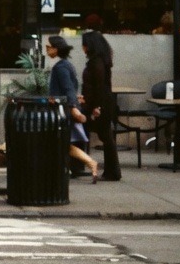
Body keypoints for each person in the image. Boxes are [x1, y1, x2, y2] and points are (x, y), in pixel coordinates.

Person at [45, 35, 99, 183]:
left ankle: (89, 163)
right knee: (62, 142)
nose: (46, 50)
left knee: (61, 142)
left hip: (61, 109)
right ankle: (84, 164)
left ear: (56, 48)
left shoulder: (60, 67)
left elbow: (68, 88)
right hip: (64, 108)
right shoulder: (66, 65)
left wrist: (73, 108)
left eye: (48, 47)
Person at [81, 31, 122, 181]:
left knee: (105, 136)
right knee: (106, 136)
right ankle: (112, 171)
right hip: (104, 102)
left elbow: (98, 86)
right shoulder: (102, 61)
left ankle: (112, 171)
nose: (83, 48)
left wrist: (96, 106)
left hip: (100, 103)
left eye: (84, 44)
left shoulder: (96, 63)